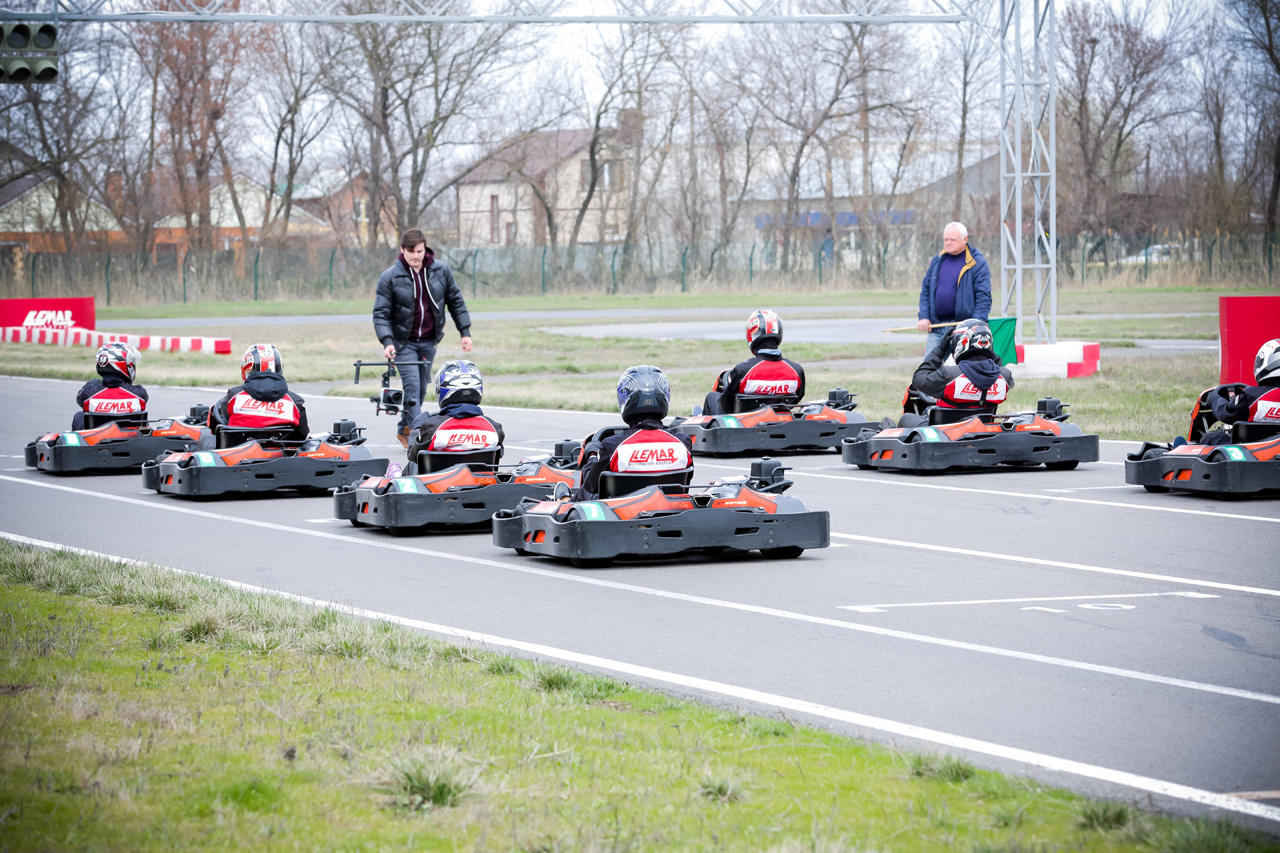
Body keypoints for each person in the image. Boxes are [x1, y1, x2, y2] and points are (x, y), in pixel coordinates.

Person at [373, 228, 473, 449]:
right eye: (410, 251)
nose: (415, 256)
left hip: (429, 340)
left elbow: (456, 301)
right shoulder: (389, 277)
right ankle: (420, 439)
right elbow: (380, 314)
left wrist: (464, 332)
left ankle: (404, 430)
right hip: (403, 343)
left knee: (419, 391)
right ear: (402, 250)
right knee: (411, 389)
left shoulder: (441, 271)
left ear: (425, 248)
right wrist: (387, 341)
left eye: (419, 251)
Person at [576, 365, 693, 501]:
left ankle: (564, 502)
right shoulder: (683, 442)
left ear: (625, 398)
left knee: (585, 491)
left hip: (622, 516)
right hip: (669, 510)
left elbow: (591, 486)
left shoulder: (612, 445)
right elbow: (686, 483)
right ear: (664, 396)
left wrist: (591, 455)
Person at [899, 319, 1013, 428]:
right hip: (982, 430)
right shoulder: (1004, 377)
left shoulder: (948, 376)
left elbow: (918, 378)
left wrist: (940, 349)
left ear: (961, 344)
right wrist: (987, 349)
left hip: (946, 435)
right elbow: (998, 366)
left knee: (906, 418)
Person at [702, 309, 806, 415]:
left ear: (752, 335)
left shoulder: (742, 371)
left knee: (712, 397)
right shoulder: (797, 371)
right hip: (779, 420)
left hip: (743, 424)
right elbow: (796, 398)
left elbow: (725, 404)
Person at [406, 360, 505, 464]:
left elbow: (413, 454)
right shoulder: (494, 428)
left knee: (413, 464)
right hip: (481, 479)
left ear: (442, 390)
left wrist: (418, 427)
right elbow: (499, 454)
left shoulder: (433, 426)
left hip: (441, 479)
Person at [208, 343, 309, 443]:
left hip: (237, 455)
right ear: (279, 367)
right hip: (279, 456)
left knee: (205, 437)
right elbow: (301, 436)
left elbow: (219, 424)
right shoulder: (294, 402)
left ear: (247, 368)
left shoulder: (234, 396)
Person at [916, 221, 991, 354]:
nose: (948, 243)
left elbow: (983, 297)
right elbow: (926, 291)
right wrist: (924, 316)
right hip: (937, 328)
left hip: (965, 330)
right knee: (928, 370)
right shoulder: (937, 260)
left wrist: (975, 325)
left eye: (952, 239)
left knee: (967, 369)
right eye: (945, 239)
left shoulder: (977, 262)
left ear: (965, 239)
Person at [1191, 338, 1280, 446]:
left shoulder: (1252, 395)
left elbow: (1227, 414)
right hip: (1275, 449)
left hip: (1252, 449)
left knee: (1212, 437)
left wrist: (1214, 399)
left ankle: (1184, 448)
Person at [73, 343, 148, 429]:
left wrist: (92, 383)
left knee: (79, 416)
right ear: (126, 365)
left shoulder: (88, 394)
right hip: (130, 439)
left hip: (97, 440)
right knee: (144, 419)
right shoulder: (140, 394)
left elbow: (80, 399)